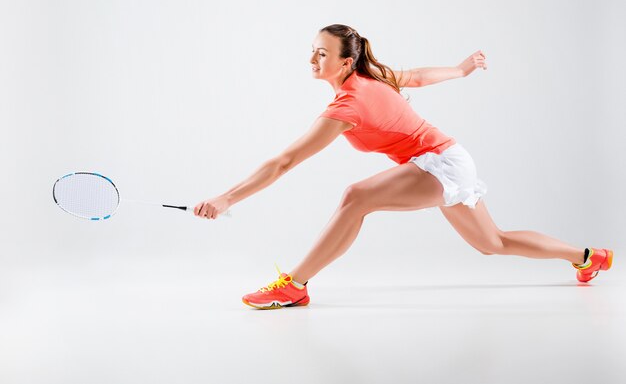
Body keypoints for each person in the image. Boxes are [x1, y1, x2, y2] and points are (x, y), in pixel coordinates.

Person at [193, 24, 614, 309]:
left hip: (439, 164)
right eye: (312, 51)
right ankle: (588, 257)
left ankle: (295, 285)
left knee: (356, 196)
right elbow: (414, 77)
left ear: (344, 63)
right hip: (444, 160)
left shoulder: (351, 101)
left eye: (321, 54)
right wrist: (461, 70)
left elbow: (285, 161)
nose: (311, 60)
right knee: (493, 243)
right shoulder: (370, 78)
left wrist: (226, 197)